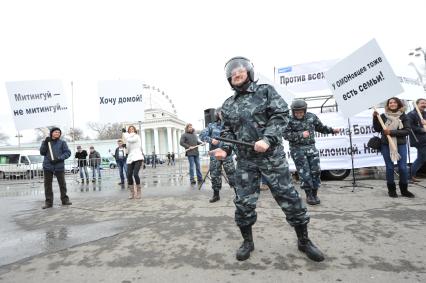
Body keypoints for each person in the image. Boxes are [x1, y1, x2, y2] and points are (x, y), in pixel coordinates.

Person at [210, 56, 324, 262]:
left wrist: (267, 139)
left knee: (290, 199)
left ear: (249, 73)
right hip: (246, 162)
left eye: (240, 70)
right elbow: (228, 133)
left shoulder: (265, 91)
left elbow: (281, 115)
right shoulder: (227, 105)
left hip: (272, 159)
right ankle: (247, 242)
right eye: (232, 72)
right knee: (243, 203)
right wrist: (225, 150)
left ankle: (304, 241)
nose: (236, 74)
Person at [283, 100, 340, 205]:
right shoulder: (289, 120)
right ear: (293, 111)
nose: (299, 114)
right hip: (298, 150)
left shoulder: (311, 117)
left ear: (305, 110)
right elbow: (285, 135)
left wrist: (332, 130)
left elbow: (321, 127)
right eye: (296, 112)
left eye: (301, 112)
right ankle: (309, 195)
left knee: (316, 171)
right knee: (305, 173)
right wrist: (300, 134)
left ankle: (315, 194)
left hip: (311, 148)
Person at [373, 97, 414, 198]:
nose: (392, 104)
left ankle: (404, 190)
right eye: (390, 102)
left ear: (398, 104)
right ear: (388, 105)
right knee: (390, 167)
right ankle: (391, 190)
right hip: (386, 144)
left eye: (394, 102)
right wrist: (375, 118)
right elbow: (377, 129)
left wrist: (391, 132)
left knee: (403, 168)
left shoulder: (404, 116)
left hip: (400, 144)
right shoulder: (383, 116)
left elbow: (407, 131)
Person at [200, 107, 236, 202]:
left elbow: (235, 139)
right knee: (215, 174)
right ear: (217, 115)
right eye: (220, 113)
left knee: (232, 174)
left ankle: (238, 194)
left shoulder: (230, 126)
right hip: (215, 155)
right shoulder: (212, 126)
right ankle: (216, 195)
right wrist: (211, 140)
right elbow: (202, 135)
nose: (222, 114)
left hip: (227, 154)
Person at [39, 127, 72, 209]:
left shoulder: (62, 143)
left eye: (59, 132)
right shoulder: (46, 142)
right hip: (48, 166)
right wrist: (45, 143)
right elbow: (42, 152)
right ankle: (48, 203)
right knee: (47, 185)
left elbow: (67, 152)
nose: (57, 133)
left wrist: (59, 158)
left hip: (59, 166)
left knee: (62, 184)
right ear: (51, 133)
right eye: (55, 132)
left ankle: (65, 200)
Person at [407, 98, 426, 183]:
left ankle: (410, 175)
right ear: (416, 104)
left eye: (425, 103)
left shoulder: (425, 114)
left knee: (421, 158)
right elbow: (410, 127)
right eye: (422, 103)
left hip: (424, 139)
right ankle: (409, 176)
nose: (424, 105)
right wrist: (421, 129)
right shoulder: (411, 114)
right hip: (419, 140)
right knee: (422, 158)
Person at [126, 125, 144, 199]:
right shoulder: (127, 139)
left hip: (137, 156)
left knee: (135, 174)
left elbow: (132, 140)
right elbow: (128, 148)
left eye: (132, 129)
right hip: (130, 157)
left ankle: (139, 191)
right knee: (129, 174)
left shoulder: (136, 136)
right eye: (130, 129)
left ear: (134, 130)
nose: (131, 130)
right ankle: (132, 192)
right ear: (129, 131)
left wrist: (126, 136)